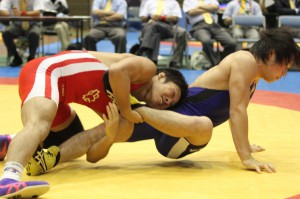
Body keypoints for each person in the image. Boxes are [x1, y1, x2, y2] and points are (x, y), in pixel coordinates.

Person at [11, 27, 298, 181]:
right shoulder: (245, 61)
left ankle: (137, 112)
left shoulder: (253, 77)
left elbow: (238, 111)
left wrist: (247, 145)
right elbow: (236, 111)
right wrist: (245, 156)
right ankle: (51, 155)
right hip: (175, 122)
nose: (284, 73)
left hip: (175, 129)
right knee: (106, 130)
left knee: (112, 127)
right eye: (284, 66)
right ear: (271, 53)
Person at [0, 50, 188, 198]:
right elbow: (116, 71)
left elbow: (92, 156)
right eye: (171, 93)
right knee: (39, 125)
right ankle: (9, 179)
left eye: (169, 104)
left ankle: (10, 142)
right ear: (161, 76)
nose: (166, 101)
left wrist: (110, 134)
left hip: (61, 95)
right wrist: (127, 111)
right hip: (48, 72)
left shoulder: (123, 107)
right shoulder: (146, 69)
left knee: (67, 140)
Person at [183, 0, 236, 66]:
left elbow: (215, 7)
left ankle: (222, 63)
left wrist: (200, 7)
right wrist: (209, 9)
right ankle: (215, 65)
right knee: (206, 41)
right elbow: (191, 12)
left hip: (214, 26)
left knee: (231, 43)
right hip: (199, 26)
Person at [138, 0, 187, 68]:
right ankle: (153, 61)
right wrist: (150, 16)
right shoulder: (148, 2)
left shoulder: (173, 2)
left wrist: (162, 17)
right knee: (154, 31)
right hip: (150, 25)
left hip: (168, 26)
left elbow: (176, 18)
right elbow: (142, 17)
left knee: (182, 32)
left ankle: (144, 48)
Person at [0, 0, 45, 67]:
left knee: (34, 34)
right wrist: (12, 13)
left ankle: (31, 58)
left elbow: (38, 12)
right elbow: (1, 11)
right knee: (6, 34)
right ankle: (16, 57)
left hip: (33, 24)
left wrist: (23, 13)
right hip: (18, 24)